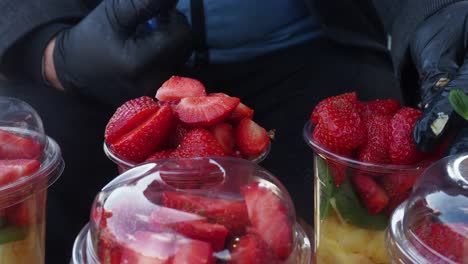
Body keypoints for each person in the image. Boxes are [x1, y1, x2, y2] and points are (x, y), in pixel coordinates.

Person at [0, 0, 467, 262]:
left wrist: (438, 14)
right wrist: (52, 51)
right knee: (41, 172)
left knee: (386, 162)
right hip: (96, 60)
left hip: (313, 53)